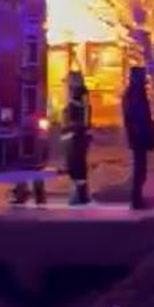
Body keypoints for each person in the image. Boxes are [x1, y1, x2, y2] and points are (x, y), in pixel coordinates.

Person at [122, 65, 154, 210]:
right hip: (138, 137)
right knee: (139, 169)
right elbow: (139, 117)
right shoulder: (135, 94)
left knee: (140, 169)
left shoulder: (132, 93)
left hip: (137, 136)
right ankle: (136, 200)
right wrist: (144, 135)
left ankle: (137, 198)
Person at [61, 69, 92, 205]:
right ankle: (80, 194)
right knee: (73, 164)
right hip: (71, 133)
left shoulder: (81, 94)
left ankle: (80, 195)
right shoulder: (71, 95)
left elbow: (85, 111)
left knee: (77, 163)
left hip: (77, 134)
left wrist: (84, 128)